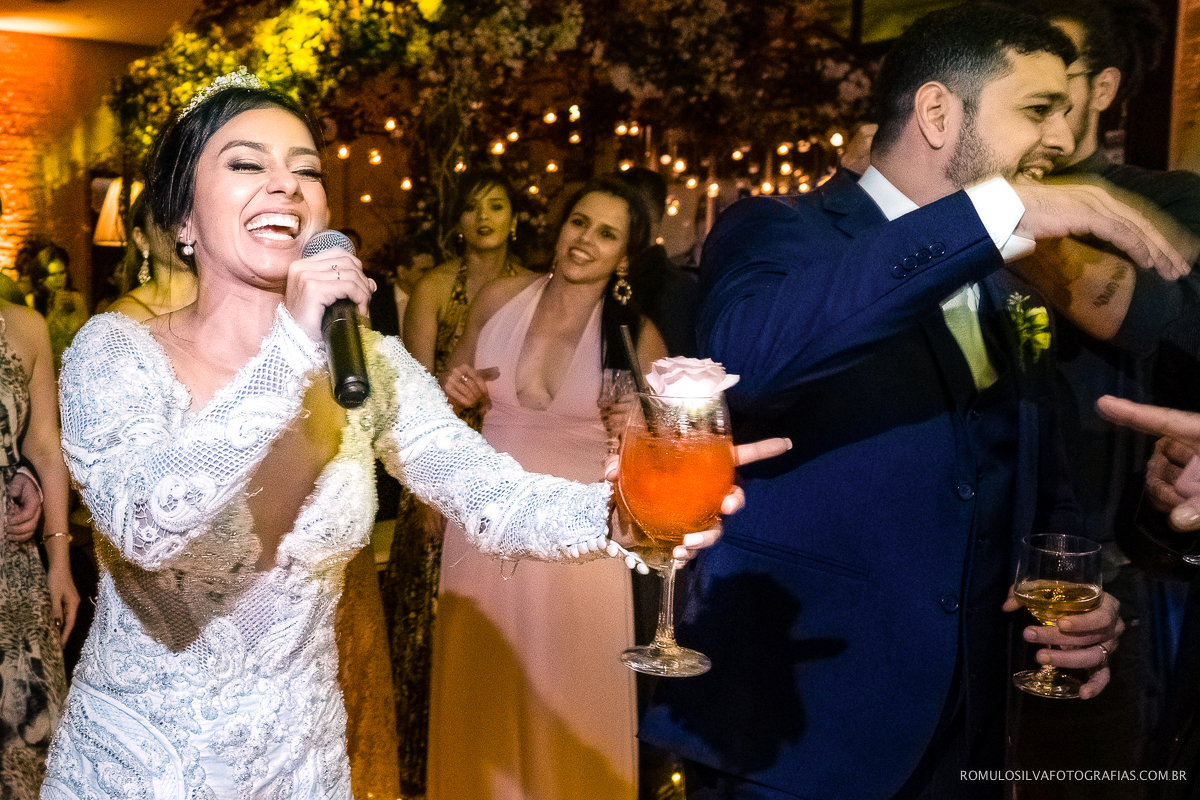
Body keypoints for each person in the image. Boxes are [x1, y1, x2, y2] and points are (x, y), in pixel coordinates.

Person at [39, 73, 754, 796]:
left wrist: (623, 513)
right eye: (249, 163)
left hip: (300, 766)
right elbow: (145, 526)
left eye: (308, 170)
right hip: (140, 765)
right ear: (183, 218)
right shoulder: (117, 351)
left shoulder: (369, 365)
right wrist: (290, 348)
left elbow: (490, 492)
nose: (286, 184)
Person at [636, 5, 1185, 798]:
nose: (1061, 143)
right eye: (1037, 111)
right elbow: (751, 360)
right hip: (798, 736)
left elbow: (1035, 469)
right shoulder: (778, 230)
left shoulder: (1009, 280)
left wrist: (1075, 593)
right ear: (937, 112)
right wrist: (998, 214)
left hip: (967, 741)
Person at [987, 0, 1200, 793]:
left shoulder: (1166, 200)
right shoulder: (965, 211)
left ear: (1104, 87)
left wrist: (1000, 209)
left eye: (1056, 79)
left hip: (1095, 579)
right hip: (968, 565)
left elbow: (1140, 309)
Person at [427, 176, 667, 800]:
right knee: (480, 693)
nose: (585, 240)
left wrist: (638, 429)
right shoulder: (499, 298)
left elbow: (667, 464)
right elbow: (441, 405)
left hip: (578, 552)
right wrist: (457, 394)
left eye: (606, 234)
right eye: (579, 222)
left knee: (571, 698)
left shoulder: (636, 338)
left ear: (626, 258)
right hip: (484, 534)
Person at [381, 167, 530, 797]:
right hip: (444, 460)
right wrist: (426, 485)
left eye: (497, 206)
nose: (485, 218)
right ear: (459, 222)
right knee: (428, 620)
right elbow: (412, 394)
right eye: (473, 209)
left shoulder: (534, 289)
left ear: (514, 218)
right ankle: (424, 766)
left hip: (515, 460)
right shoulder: (437, 288)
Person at [0, 292, 79, 797]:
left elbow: (46, 449)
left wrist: (59, 561)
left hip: (15, 582)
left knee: (30, 763)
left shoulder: (24, 327)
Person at [106, 193, 199, 322]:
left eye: (191, 217)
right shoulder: (123, 319)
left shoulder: (229, 304)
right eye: (168, 219)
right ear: (142, 239)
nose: (184, 230)